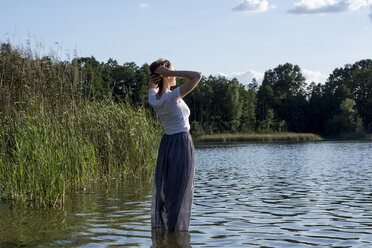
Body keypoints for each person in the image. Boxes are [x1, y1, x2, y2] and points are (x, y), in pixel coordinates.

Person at [148, 59, 202, 231]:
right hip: (181, 143)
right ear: (164, 75)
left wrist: (156, 79)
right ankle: (176, 233)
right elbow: (197, 76)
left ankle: (167, 234)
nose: (175, 73)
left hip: (167, 144)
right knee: (181, 190)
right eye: (171, 71)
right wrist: (170, 73)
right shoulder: (172, 97)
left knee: (168, 190)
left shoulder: (153, 99)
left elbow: (153, 88)